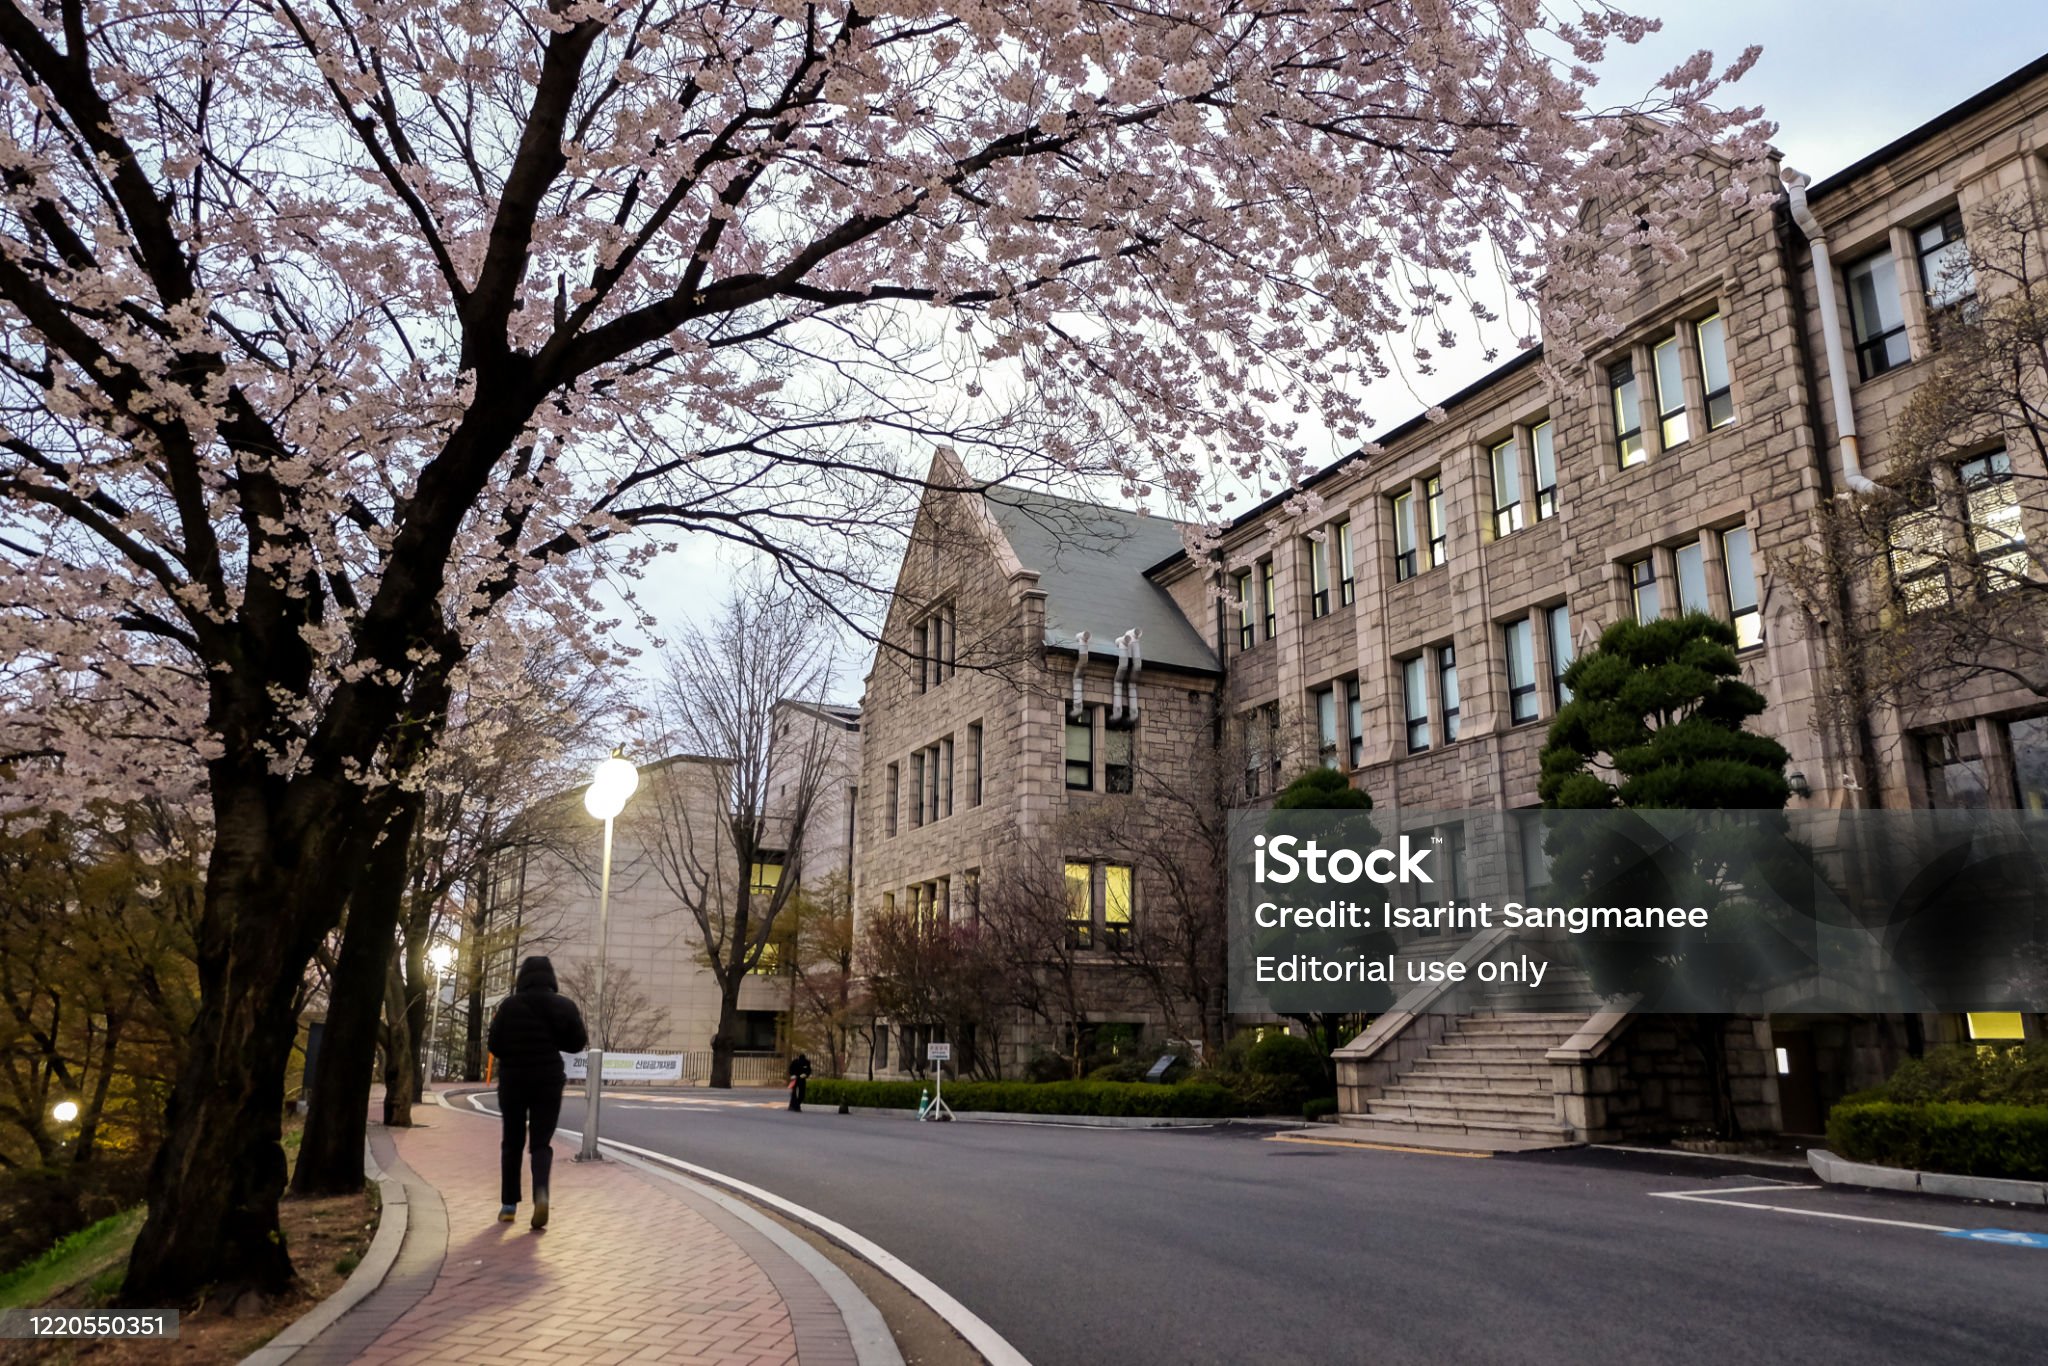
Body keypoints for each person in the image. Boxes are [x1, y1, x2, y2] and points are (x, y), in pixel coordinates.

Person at [486, 956, 587, 1230]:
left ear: (523, 977)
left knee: (512, 1142)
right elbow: (578, 1043)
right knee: (541, 1143)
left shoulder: (509, 1006)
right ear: (550, 977)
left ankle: (508, 1206)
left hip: (514, 1080)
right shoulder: (564, 1006)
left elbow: (494, 1043)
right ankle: (541, 1194)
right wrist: (553, 1041)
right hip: (548, 1080)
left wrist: (515, 1053)